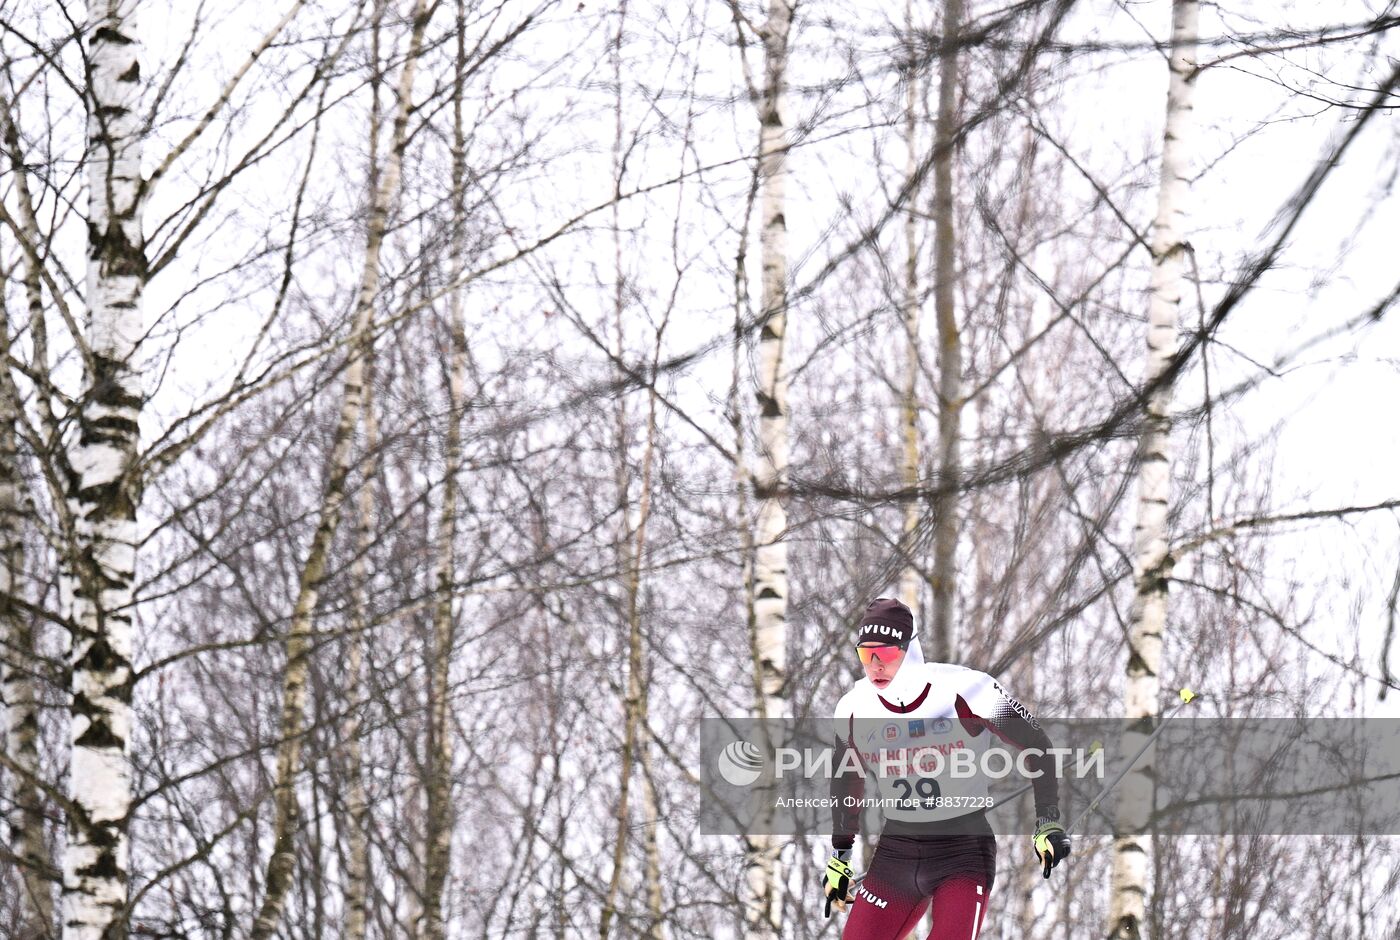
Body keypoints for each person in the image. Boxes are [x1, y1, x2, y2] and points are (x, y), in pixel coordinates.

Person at [820, 597, 1071, 938]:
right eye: (866, 654)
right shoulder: (853, 708)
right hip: (896, 854)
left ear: (909, 651)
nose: (876, 665)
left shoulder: (966, 689)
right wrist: (840, 856)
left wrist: (1047, 822)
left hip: (963, 854)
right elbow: (847, 779)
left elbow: (1035, 742)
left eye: (887, 654)